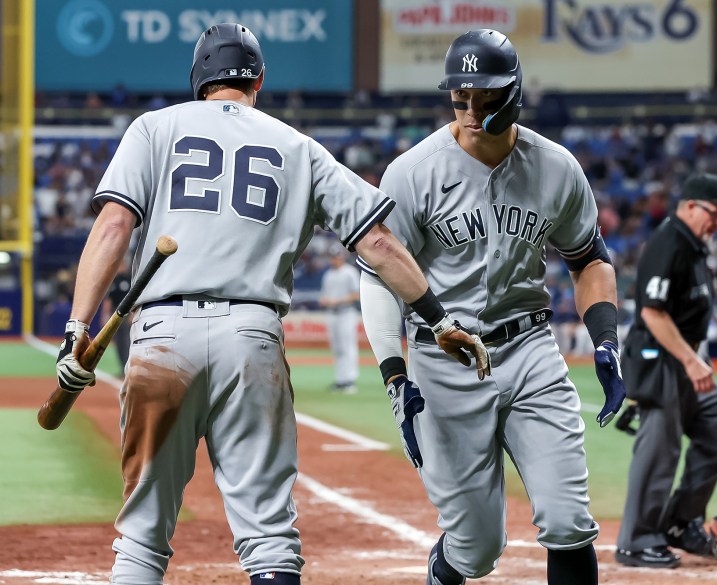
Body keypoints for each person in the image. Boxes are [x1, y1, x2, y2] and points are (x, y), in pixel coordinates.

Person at [52, 23, 488, 585]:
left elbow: (114, 224)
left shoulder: (154, 127)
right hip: (252, 338)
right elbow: (377, 243)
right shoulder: (298, 145)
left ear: (197, 80)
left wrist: (75, 327)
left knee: (141, 537)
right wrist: (439, 318)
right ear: (259, 80)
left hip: (162, 334)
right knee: (268, 537)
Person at [357, 29, 626, 585]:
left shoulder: (556, 167)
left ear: (515, 93)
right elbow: (381, 277)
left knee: (569, 520)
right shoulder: (413, 172)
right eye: (460, 98)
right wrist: (394, 377)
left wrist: (606, 339)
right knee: (477, 549)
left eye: (486, 98)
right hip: (444, 361)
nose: (471, 111)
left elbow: (589, 260)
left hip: (530, 350)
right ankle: (446, 567)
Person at [615, 173, 717, 568]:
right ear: (688, 206)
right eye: (712, 212)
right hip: (660, 359)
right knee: (659, 451)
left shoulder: (695, 245)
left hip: (684, 360)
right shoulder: (669, 243)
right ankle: (636, 541)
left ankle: (679, 522)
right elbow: (652, 312)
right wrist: (689, 358)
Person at [319, 243, 362, 394]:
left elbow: (356, 295)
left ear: (342, 257)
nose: (334, 260)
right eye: (332, 257)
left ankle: (349, 381)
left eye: (336, 257)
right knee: (337, 348)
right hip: (332, 314)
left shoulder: (349, 272)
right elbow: (324, 294)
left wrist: (336, 301)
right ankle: (340, 380)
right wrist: (324, 300)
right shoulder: (328, 274)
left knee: (348, 347)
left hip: (346, 313)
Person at [102, 257, 133, 373]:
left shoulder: (130, 279)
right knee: (118, 341)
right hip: (115, 312)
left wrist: (132, 313)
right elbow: (108, 300)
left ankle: (128, 368)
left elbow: (134, 298)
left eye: (121, 265)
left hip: (127, 311)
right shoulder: (114, 280)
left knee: (127, 340)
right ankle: (122, 367)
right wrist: (105, 315)